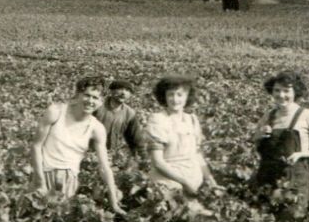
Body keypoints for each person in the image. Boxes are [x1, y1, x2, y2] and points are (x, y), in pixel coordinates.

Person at [33, 78, 123, 212]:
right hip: (43, 173)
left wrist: (114, 202)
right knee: (35, 218)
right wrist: (39, 182)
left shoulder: (97, 128)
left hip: (69, 181)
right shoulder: (56, 112)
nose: (90, 101)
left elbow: (104, 167)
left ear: (101, 101)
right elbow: (36, 146)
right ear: (78, 94)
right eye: (87, 95)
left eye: (95, 98)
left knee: (59, 220)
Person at [253, 72, 309, 213]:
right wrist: (260, 134)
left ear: (296, 92)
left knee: (292, 218)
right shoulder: (268, 116)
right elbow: (256, 143)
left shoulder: (307, 115)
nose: (281, 95)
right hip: (267, 177)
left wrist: (300, 154)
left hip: (295, 178)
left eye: (286, 91)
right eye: (277, 90)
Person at [145, 76, 215, 197]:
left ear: (187, 97)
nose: (175, 99)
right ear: (164, 97)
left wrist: (211, 181)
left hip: (194, 181)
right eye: (170, 95)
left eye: (179, 94)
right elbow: (158, 162)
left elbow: (197, 154)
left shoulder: (192, 119)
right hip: (167, 185)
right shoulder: (158, 120)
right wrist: (184, 182)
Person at [97, 79, 147, 171]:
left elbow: (136, 140)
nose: (124, 93)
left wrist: (144, 160)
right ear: (111, 91)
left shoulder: (129, 113)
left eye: (128, 91)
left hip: (112, 156)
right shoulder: (97, 107)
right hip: (91, 153)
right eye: (120, 89)